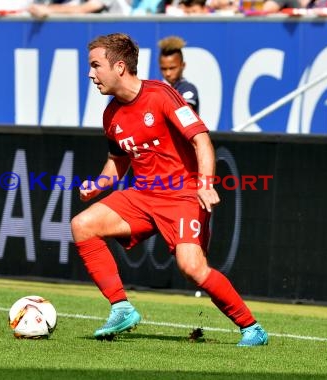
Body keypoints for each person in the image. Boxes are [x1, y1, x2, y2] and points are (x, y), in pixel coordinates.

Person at [71, 32, 268, 346]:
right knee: (82, 225)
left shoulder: (161, 95)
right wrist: (98, 186)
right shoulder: (111, 114)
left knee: (191, 267)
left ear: (119, 67)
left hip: (182, 194)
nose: (90, 73)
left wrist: (205, 184)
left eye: (95, 65)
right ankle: (121, 307)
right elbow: (118, 162)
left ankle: (252, 328)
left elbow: (201, 139)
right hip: (143, 195)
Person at [157, 36, 200, 114]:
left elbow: (186, 114)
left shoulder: (187, 88)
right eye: (164, 69)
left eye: (172, 68)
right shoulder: (166, 90)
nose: (168, 73)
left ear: (183, 65)